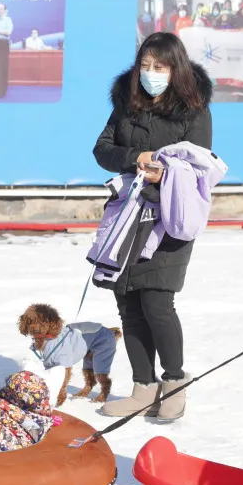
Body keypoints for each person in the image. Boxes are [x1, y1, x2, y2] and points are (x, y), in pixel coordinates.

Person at [91, 32, 213, 422]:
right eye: (145, 65)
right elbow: (102, 149)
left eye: (159, 67)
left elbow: (201, 165)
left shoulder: (194, 108)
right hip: (128, 216)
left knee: (157, 302)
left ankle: (174, 382)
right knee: (127, 302)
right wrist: (134, 156)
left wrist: (166, 174)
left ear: (175, 68)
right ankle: (142, 387)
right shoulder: (127, 103)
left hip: (170, 217)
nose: (150, 73)